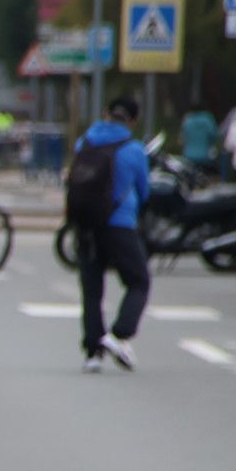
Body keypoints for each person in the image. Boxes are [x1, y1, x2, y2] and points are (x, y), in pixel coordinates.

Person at [72, 98, 151, 373]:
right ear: (132, 121)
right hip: (119, 224)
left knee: (92, 291)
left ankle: (92, 353)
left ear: (105, 113)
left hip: (86, 224)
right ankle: (119, 335)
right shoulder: (134, 150)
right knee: (139, 281)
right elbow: (144, 191)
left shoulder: (85, 142)